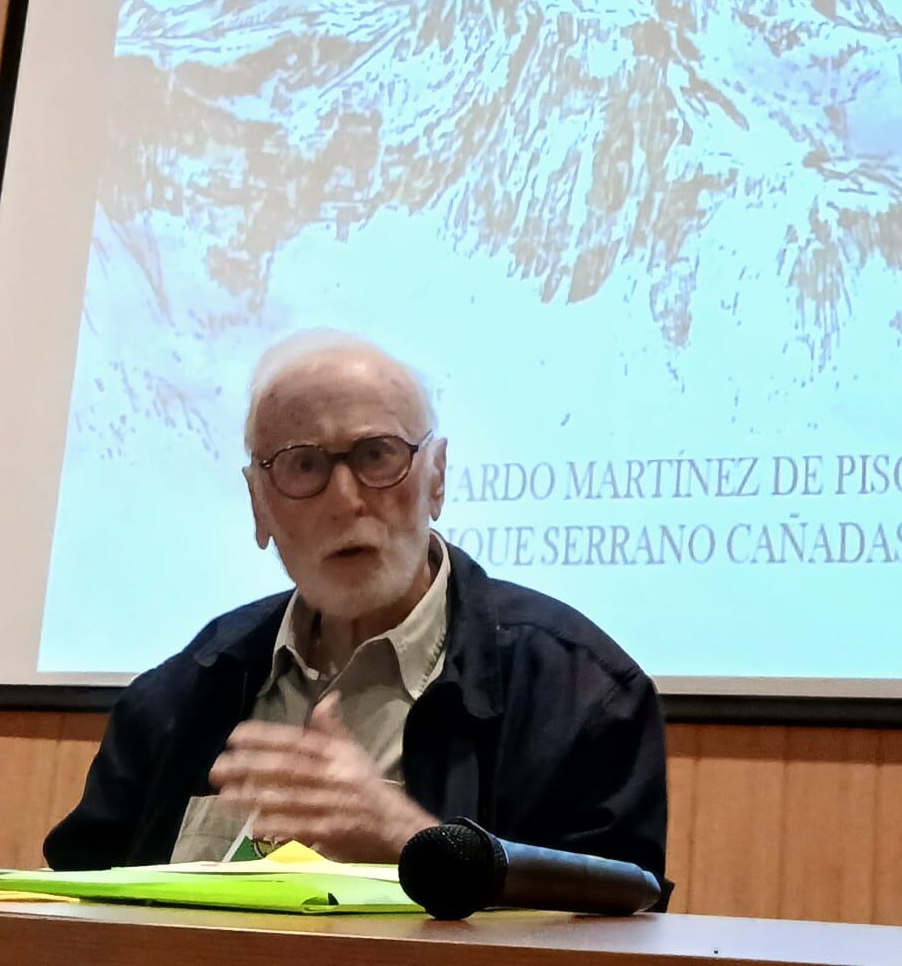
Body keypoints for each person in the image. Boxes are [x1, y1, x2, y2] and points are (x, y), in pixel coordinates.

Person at [41, 329, 669, 886]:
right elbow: (75, 900)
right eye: (303, 465)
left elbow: (619, 936)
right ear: (259, 503)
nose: (344, 501)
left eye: (377, 456)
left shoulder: (580, 693)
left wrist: (412, 843)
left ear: (438, 478)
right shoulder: (184, 691)